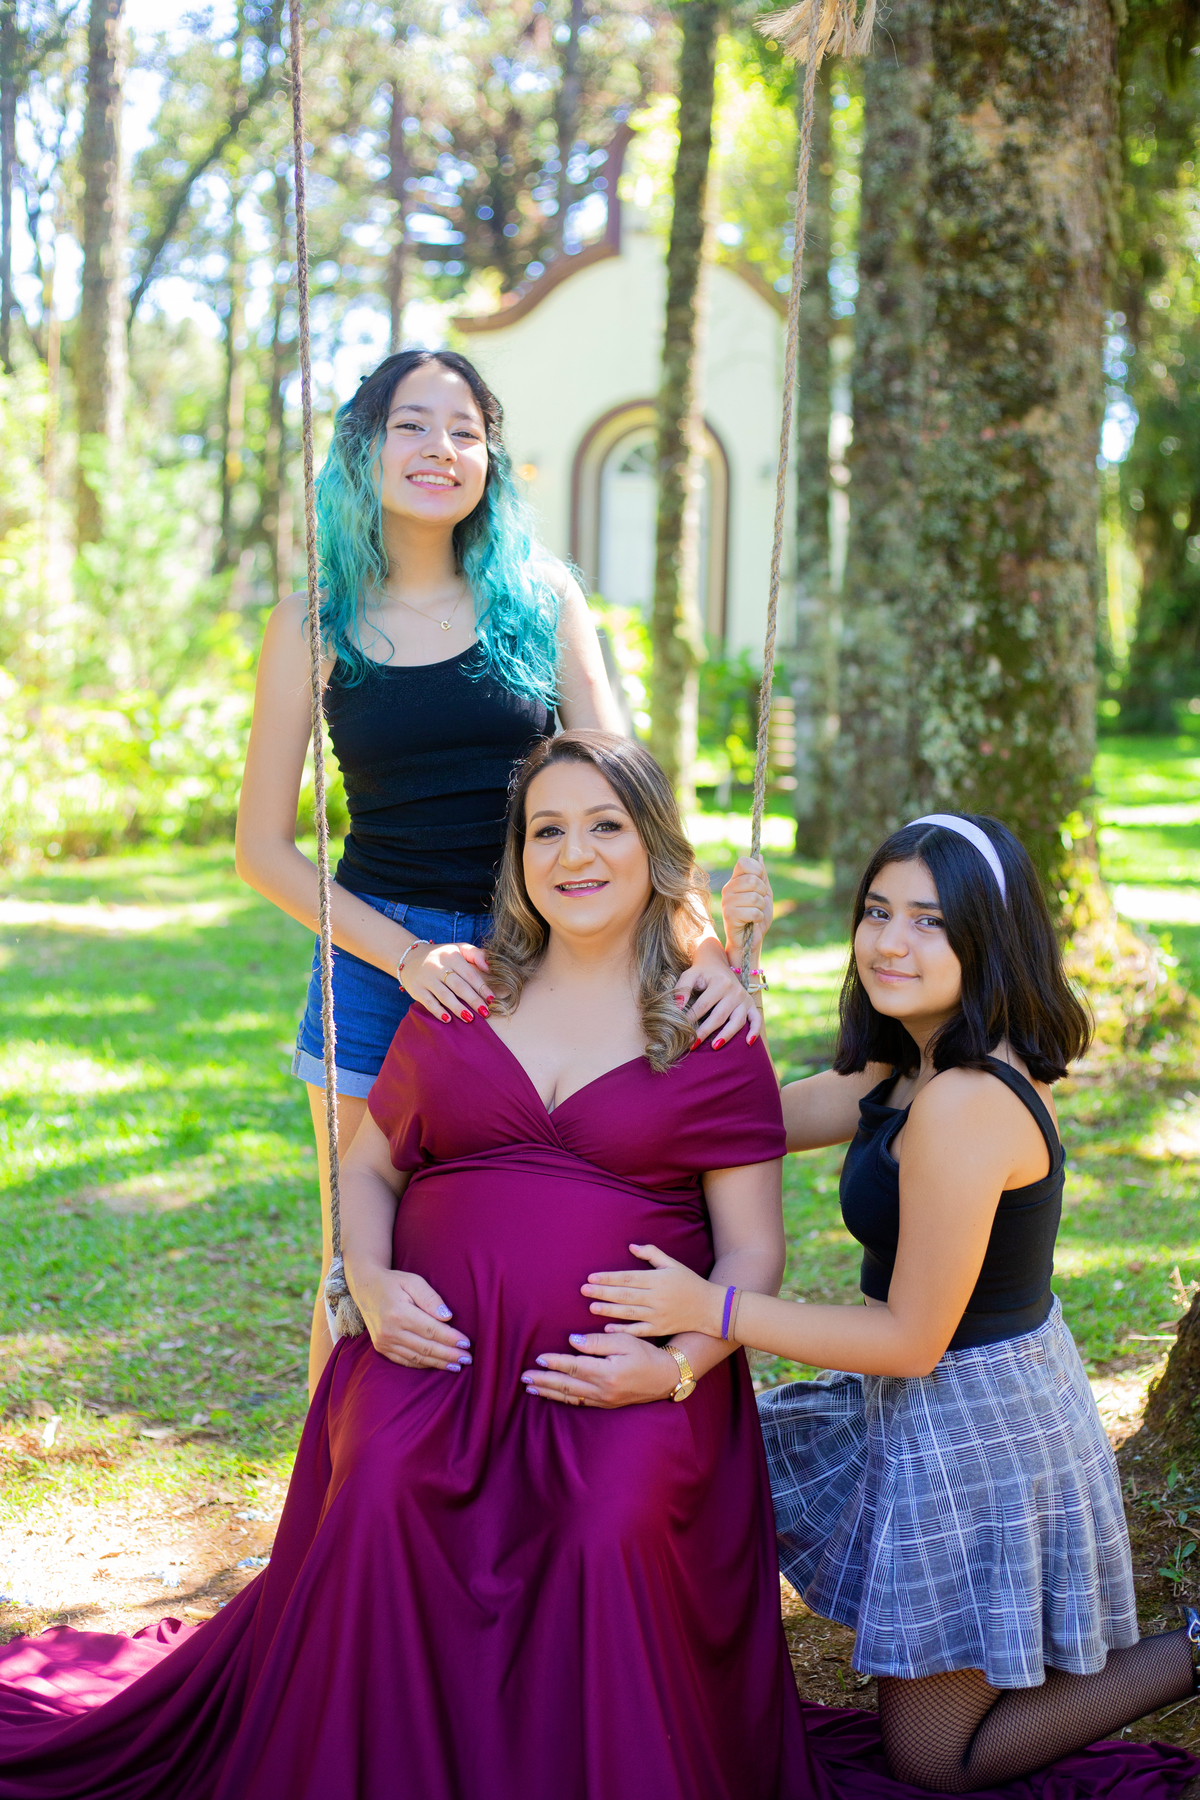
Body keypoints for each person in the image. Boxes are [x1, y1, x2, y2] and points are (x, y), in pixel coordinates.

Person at [0, 732, 820, 1800]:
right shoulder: (464, 997)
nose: (576, 853)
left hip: (622, 1370)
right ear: (518, 860)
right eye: (547, 830)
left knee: (609, 1524)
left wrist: (678, 1366)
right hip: (434, 1353)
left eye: (605, 825)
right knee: (382, 1480)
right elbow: (369, 1170)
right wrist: (371, 1287)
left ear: (656, 847)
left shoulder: (712, 1027)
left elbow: (755, 1247)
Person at [580, 812, 1200, 1797]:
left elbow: (911, 1340)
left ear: (988, 938)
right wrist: (735, 964)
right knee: (710, 1464)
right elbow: (757, 1121)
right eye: (877, 912)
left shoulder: (965, 1102)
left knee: (932, 1759)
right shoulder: (909, 1061)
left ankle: (1195, 1650)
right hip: (915, 1398)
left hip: (981, 1429)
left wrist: (712, 1304)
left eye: (930, 922)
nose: (890, 941)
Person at [233, 348, 763, 1395]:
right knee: (358, 1262)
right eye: (413, 425)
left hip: (551, 945)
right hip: (379, 960)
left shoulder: (540, 595)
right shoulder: (313, 618)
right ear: (363, 449)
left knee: (520, 1232)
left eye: (465, 430)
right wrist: (406, 956)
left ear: (491, 457)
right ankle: (335, 1521)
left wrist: (703, 947)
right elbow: (261, 850)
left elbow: (630, 802)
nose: (441, 449)